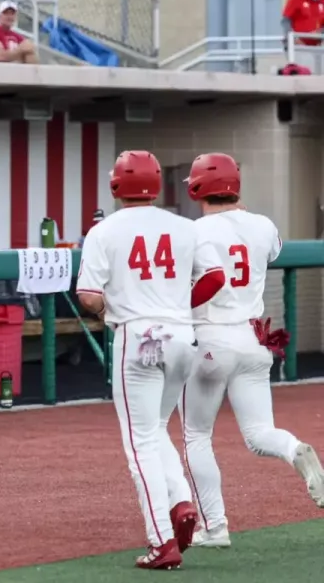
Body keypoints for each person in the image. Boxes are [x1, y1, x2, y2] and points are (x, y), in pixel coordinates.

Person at [75, 150, 226, 570]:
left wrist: (106, 313)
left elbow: (89, 296)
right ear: (156, 184)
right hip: (180, 335)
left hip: (137, 336)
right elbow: (215, 277)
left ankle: (161, 540)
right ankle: (180, 504)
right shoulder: (185, 226)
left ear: (116, 184)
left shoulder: (103, 231)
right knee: (156, 428)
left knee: (139, 440)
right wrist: (179, 305)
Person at [178, 153, 324, 548]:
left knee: (196, 435)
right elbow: (271, 250)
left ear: (195, 189)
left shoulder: (192, 232)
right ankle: (294, 448)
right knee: (260, 434)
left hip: (209, 338)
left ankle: (216, 527)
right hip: (253, 340)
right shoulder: (263, 226)